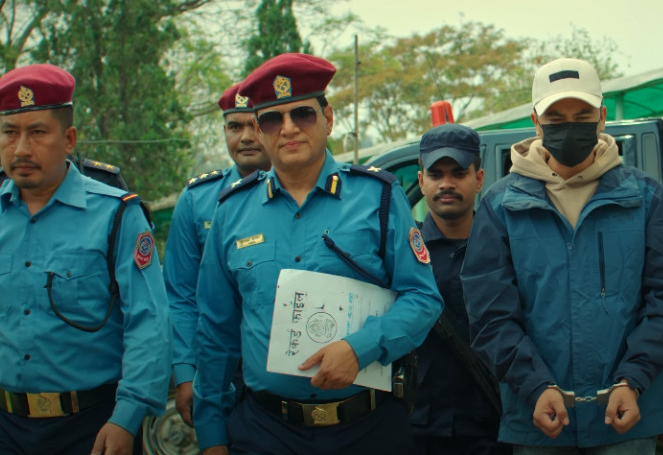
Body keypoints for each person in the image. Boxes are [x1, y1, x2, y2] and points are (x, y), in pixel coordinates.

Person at [191, 53, 443, 455]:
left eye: (303, 114)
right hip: (264, 432)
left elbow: (423, 298)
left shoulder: (377, 197)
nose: (289, 129)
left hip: (368, 429)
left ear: (328, 117)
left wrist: (359, 349)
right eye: (273, 119)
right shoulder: (231, 212)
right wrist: (211, 434)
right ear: (259, 130)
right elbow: (216, 330)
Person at [460, 57, 663, 453]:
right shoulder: (501, 205)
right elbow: (489, 314)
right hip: (539, 419)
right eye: (556, 117)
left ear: (602, 117)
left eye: (581, 114)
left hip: (625, 417)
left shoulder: (646, 197)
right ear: (536, 121)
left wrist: (632, 379)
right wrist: (534, 386)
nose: (569, 126)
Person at [0, 64, 170, 455]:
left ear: (68, 139)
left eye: (37, 132)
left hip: (91, 426)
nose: (21, 148)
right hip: (0, 427)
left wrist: (127, 416)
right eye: (9, 133)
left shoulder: (116, 215)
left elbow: (149, 321)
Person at [164, 82, 271, 426]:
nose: (246, 137)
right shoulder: (197, 200)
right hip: (220, 369)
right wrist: (185, 372)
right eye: (234, 127)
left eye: (255, 124)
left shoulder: (302, 196)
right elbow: (181, 295)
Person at [411, 123, 509, 454]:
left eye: (459, 173)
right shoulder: (402, 255)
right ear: (421, 181)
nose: (447, 184)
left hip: (495, 426)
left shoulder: (507, 248)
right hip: (419, 427)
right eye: (436, 174)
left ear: (479, 179)